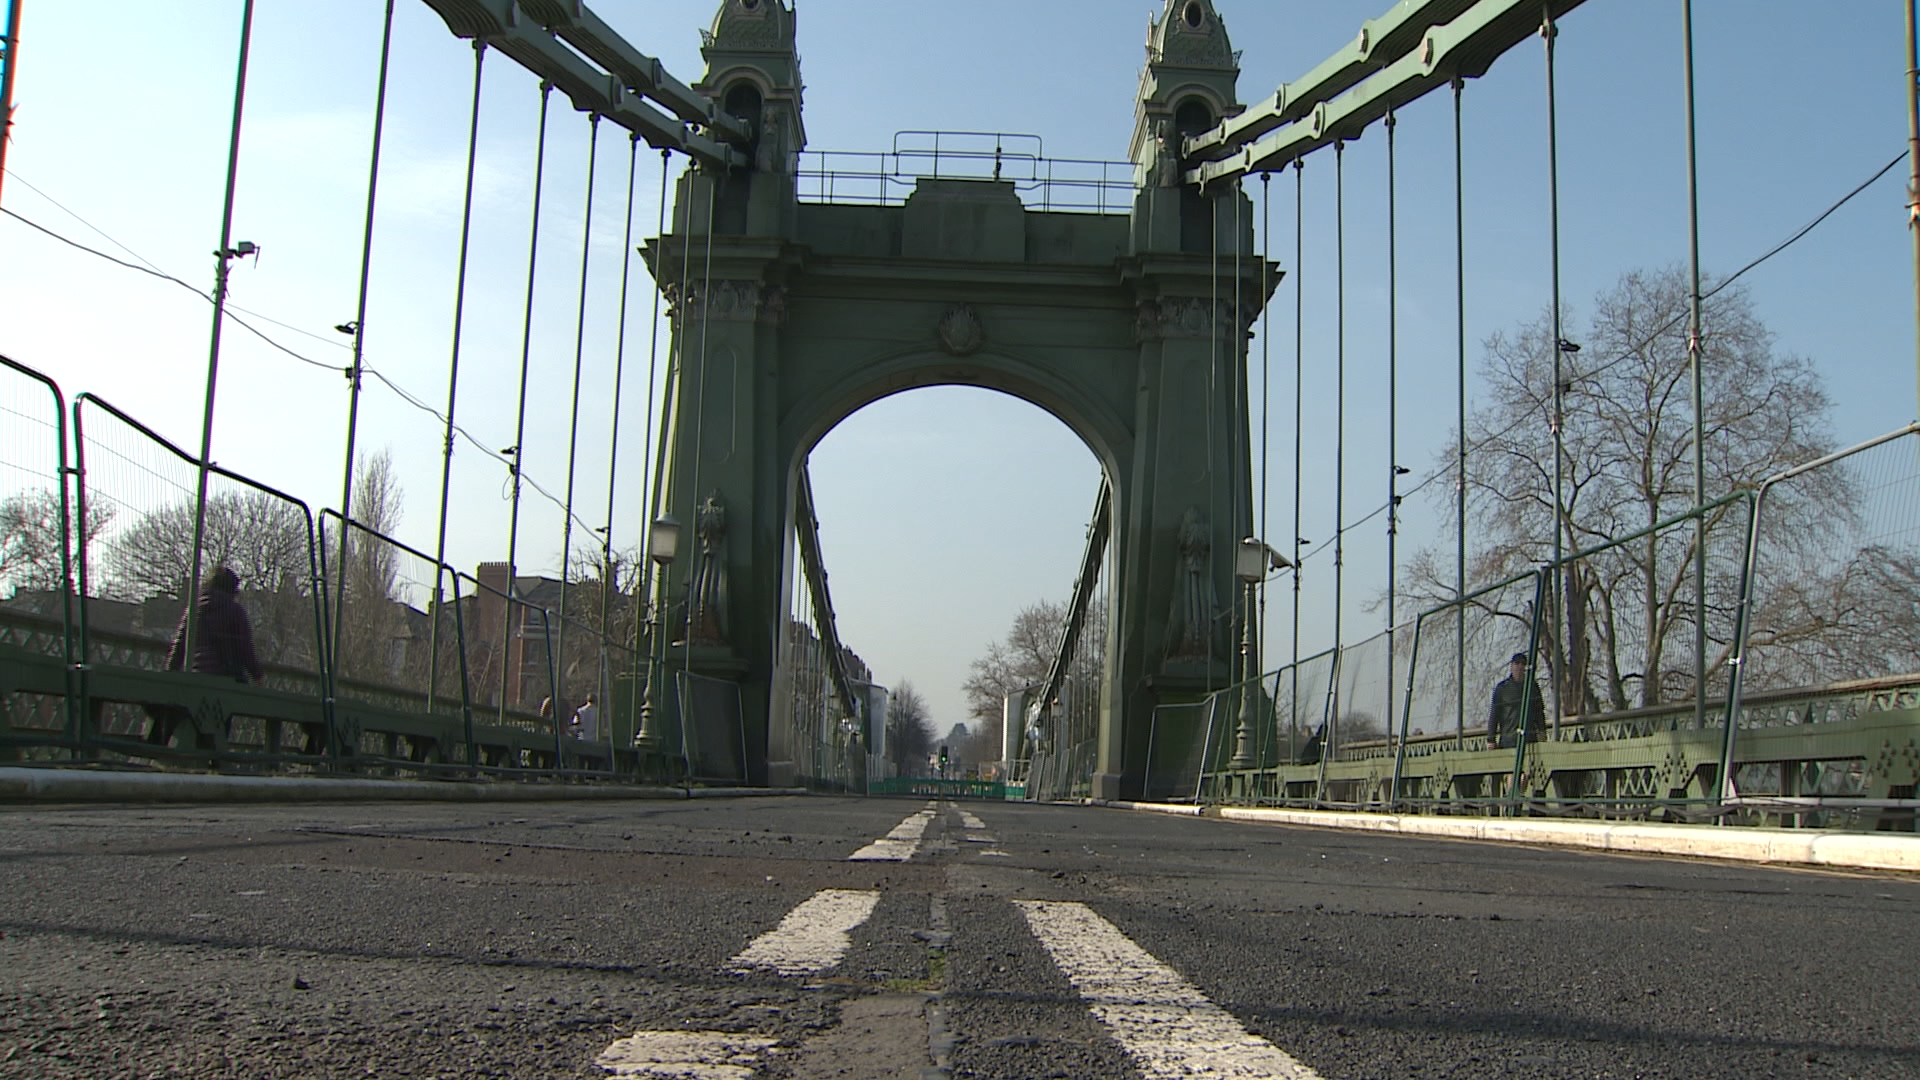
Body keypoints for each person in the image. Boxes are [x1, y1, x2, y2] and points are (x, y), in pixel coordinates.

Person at [149, 566, 263, 745]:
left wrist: (170, 673)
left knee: (194, 716)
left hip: (196, 676)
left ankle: (188, 751)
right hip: (226, 678)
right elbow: (244, 647)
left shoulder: (194, 609)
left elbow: (179, 645)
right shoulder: (234, 611)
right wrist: (257, 675)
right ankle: (215, 755)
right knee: (220, 718)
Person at [1487, 652, 1546, 749]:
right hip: (1508, 740)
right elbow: (1494, 714)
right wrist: (1491, 739)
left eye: (1523, 664)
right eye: (1517, 663)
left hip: (1529, 739)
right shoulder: (1502, 688)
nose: (1520, 666)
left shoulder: (1532, 687)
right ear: (1511, 666)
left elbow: (1539, 712)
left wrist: (1542, 731)